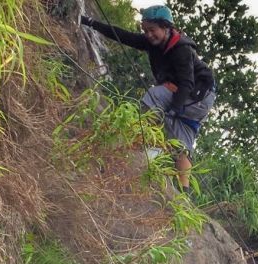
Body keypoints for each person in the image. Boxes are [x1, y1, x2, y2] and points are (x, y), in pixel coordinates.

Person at [80, 5, 216, 193]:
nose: (148, 35)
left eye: (152, 30)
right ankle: (185, 193)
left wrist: (174, 109)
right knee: (181, 140)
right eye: (145, 30)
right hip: (197, 99)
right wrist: (91, 23)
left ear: (166, 27)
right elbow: (123, 36)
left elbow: (186, 84)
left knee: (155, 96)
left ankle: (145, 149)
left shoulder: (180, 49)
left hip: (197, 95)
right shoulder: (153, 43)